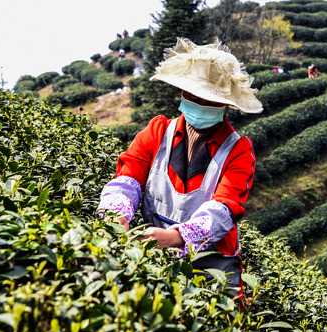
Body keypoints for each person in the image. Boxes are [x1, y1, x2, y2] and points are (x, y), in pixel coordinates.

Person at [97, 38, 262, 292]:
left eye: (211, 100)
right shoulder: (157, 131)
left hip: (213, 266)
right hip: (153, 255)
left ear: (227, 105)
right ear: (182, 93)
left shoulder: (238, 151)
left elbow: (223, 209)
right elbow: (126, 180)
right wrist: (116, 215)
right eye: (194, 96)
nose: (201, 105)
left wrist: (179, 237)